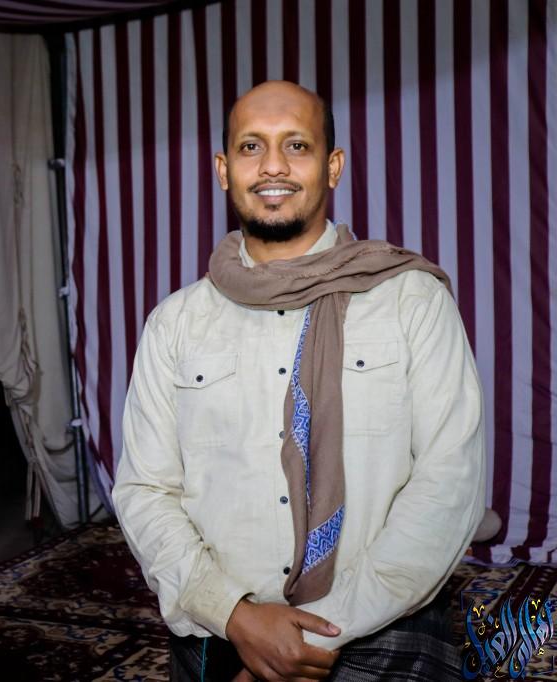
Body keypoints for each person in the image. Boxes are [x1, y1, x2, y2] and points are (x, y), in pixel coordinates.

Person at [112, 80, 485, 682]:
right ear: (223, 170)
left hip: (380, 636)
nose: (273, 166)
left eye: (296, 145)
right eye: (251, 147)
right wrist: (235, 616)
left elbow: (449, 483)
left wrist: (315, 634)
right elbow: (145, 489)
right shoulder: (176, 323)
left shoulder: (410, 302)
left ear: (332, 166)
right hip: (218, 640)